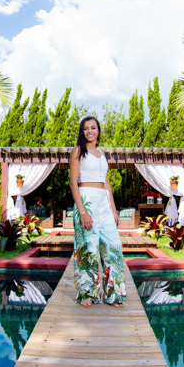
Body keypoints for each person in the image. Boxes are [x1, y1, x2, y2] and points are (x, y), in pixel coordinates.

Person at [69, 115, 127, 307]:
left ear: (98, 131)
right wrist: (83, 211)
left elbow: (106, 183)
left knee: (114, 248)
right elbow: (73, 183)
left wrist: (114, 209)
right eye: (86, 128)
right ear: (82, 131)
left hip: (103, 205)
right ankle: (87, 294)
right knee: (89, 250)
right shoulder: (78, 151)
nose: (90, 131)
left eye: (93, 128)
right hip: (87, 202)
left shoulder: (102, 155)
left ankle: (113, 294)